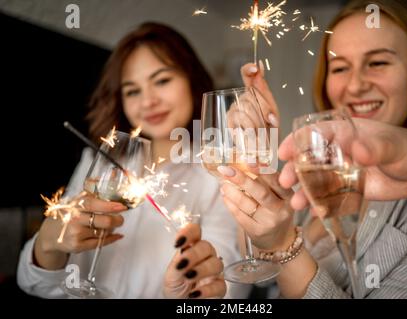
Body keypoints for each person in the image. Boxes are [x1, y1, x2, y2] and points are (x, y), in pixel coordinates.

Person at [221, 0, 407, 298]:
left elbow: (278, 251)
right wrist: (258, 157)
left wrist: (284, 245)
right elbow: (263, 276)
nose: (355, 86)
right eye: (340, 67)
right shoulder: (319, 168)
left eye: (378, 62)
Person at [16, 22, 249, 299]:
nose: (148, 101)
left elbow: (233, 288)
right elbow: (34, 284)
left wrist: (191, 292)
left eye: (161, 80)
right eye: (132, 91)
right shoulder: (99, 159)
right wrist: (48, 244)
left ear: (192, 79)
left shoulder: (218, 169)